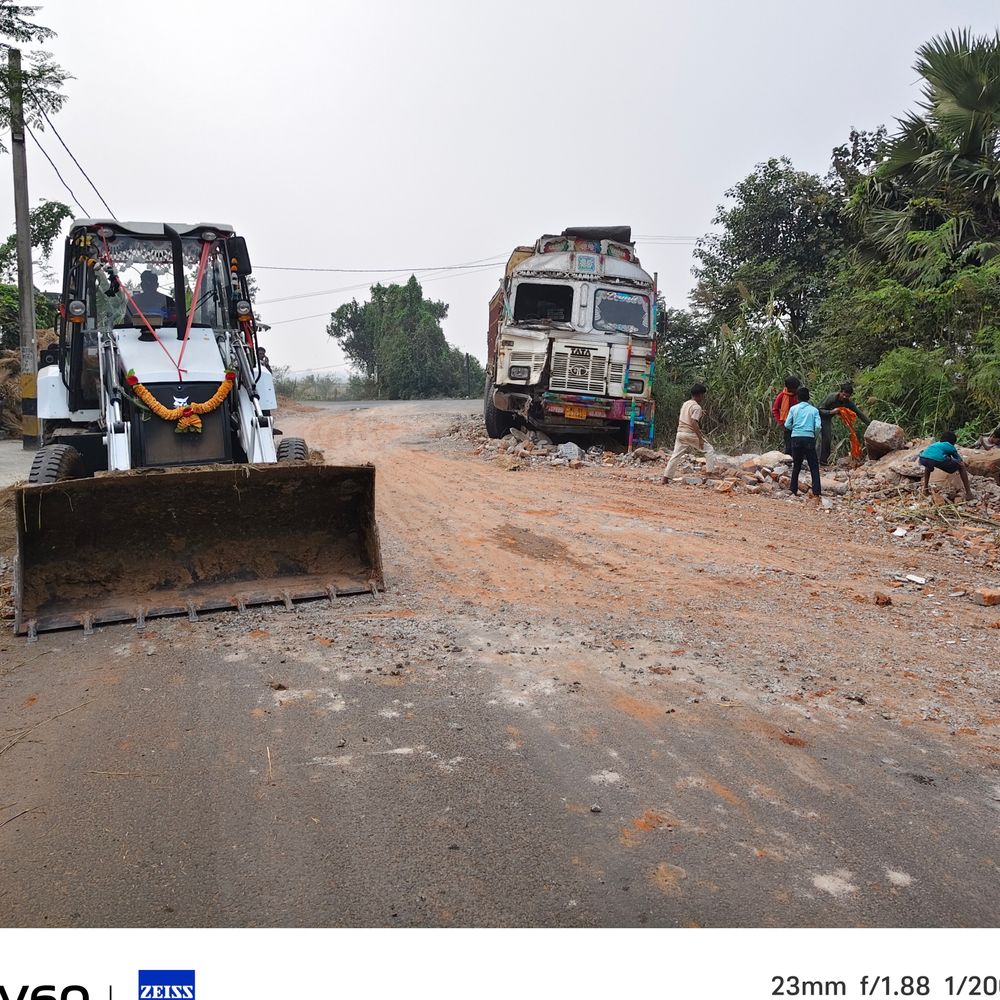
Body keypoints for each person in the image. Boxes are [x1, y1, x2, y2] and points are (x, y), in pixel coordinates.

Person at [664, 383, 716, 482]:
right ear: (700, 395)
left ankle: (666, 477)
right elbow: (693, 422)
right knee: (709, 450)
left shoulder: (686, 404)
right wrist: (700, 438)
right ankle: (709, 474)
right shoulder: (697, 407)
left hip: (680, 433)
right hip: (689, 433)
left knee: (675, 455)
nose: (703, 398)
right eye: (703, 395)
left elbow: (688, 416)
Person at [818, 382, 869, 465]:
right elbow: (819, 409)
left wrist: (870, 424)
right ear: (840, 392)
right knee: (815, 438)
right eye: (843, 394)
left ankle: (823, 461)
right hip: (818, 416)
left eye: (847, 396)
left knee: (827, 438)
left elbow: (859, 414)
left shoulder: (848, 402)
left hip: (827, 419)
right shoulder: (832, 397)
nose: (844, 397)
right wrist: (831, 412)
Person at [784, 386, 822, 498]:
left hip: (795, 437)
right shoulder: (814, 410)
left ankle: (793, 489)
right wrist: (813, 435)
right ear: (809, 398)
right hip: (809, 438)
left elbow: (787, 424)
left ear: (797, 398)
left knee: (796, 465)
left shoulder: (793, 409)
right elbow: (818, 426)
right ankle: (816, 491)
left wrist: (795, 429)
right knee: (813, 466)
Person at [919, 431, 974, 500]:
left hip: (923, 458)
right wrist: (965, 465)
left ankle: (925, 489)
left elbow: (931, 455)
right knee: (961, 466)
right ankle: (969, 493)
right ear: (953, 443)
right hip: (937, 459)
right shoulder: (950, 447)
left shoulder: (935, 444)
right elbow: (960, 461)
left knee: (928, 464)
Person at [771, 375, 800, 455]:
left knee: (799, 446)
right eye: (795, 388)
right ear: (789, 388)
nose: (796, 389)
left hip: (799, 424)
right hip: (787, 425)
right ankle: (788, 464)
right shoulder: (782, 396)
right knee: (789, 446)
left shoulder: (799, 395)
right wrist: (780, 422)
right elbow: (775, 409)